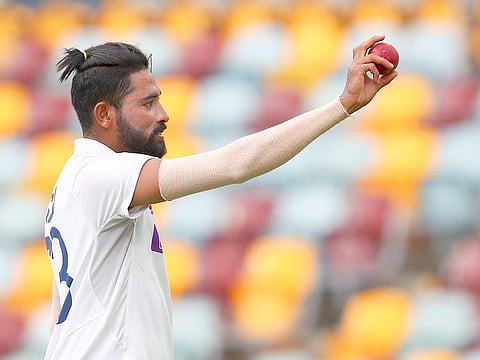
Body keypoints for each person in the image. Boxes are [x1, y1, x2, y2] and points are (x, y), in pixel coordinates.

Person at [44, 35, 397, 359]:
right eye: (148, 103)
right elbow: (236, 165)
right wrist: (343, 105)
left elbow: (60, 314)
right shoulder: (102, 175)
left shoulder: (74, 183)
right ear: (104, 114)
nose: (163, 115)